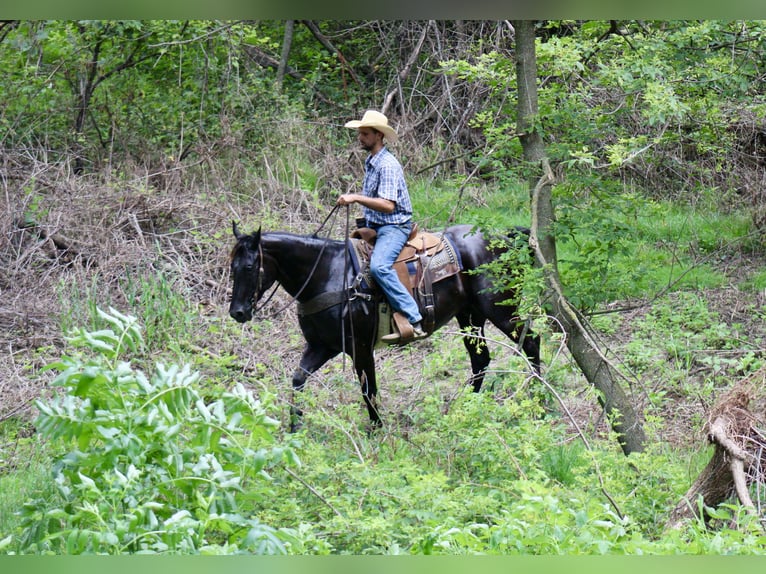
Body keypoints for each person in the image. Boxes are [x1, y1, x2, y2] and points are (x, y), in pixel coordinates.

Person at [336, 110, 426, 343]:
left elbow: (387, 205)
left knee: (379, 267)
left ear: (379, 136)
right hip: (377, 225)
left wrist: (355, 197)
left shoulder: (387, 165)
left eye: (365, 134)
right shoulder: (372, 161)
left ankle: (413, 318)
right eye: (360, 133)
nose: (361, 138)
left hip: (394, 226)